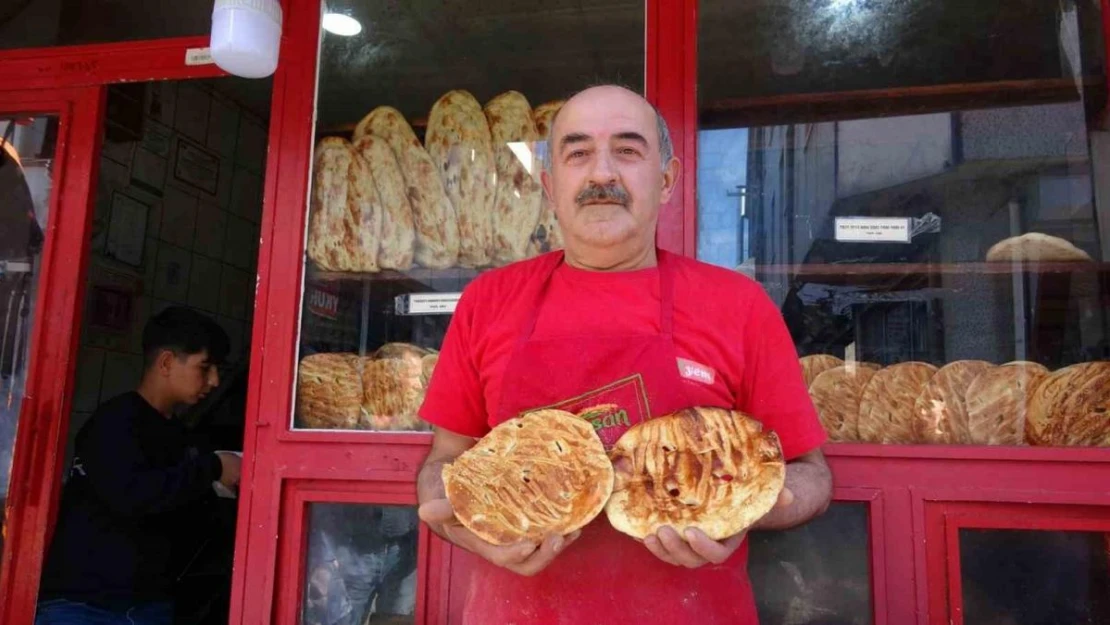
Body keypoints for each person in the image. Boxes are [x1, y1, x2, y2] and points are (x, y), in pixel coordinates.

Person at [416, 84, 834, 625]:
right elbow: (442, 466)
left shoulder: (737, 305)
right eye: (578, 152)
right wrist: (472, 531)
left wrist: (744, 506)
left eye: (628, 151)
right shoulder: (489, 302)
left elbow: (812, 476)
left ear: (666, 181)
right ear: (550, 184)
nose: (601, 174)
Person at [36, 307, 242, 625]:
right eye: (205, 367)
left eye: (219, 370)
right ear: (166, 363)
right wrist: (213, 469)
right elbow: (131, 494)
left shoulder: (183, 437)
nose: (215, 381)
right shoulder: (114, 422)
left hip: (150, 607)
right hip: (84, 607)